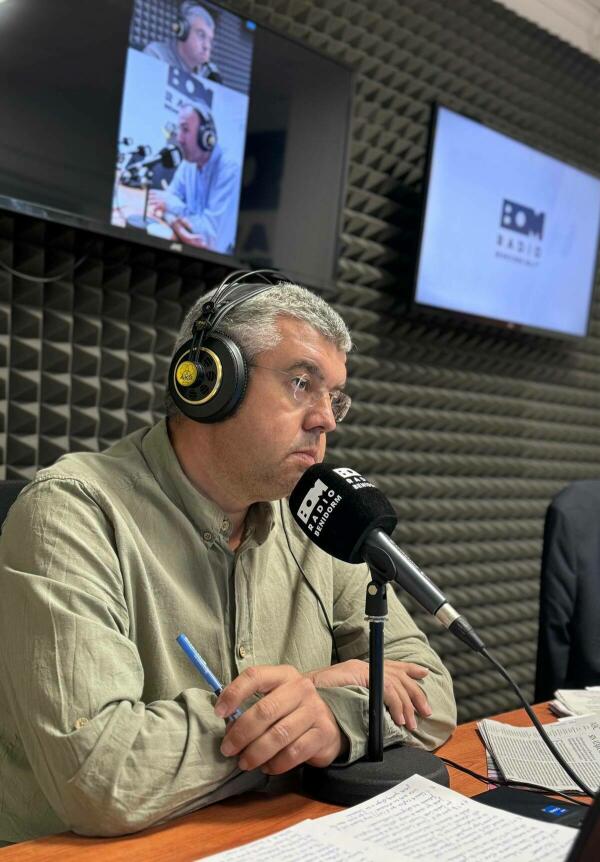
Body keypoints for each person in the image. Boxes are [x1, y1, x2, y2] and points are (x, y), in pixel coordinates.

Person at [0, 273, 456, 844]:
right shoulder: (73, 512)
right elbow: (101, 776)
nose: (327, 419)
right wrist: (308, 696)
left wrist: (332, 720)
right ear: (211, 382)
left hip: (274, 838)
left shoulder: (316, 518)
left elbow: (432, 695)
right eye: (300, 383)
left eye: (334, 396)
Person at [148, 103, 238, 253]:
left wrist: (173, 207)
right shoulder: (188, 162)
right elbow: (164, 203)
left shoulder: (229, 169)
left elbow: (211, 240)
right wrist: (177, 225)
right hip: (186, 246)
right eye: (179, 130)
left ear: (206, 137)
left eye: (185, 129)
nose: (179, 138)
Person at [144, 1, 223, 83]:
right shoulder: (156, 55)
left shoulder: (210, 73)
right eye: (201, 35)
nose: (206, 46)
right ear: (183, 31)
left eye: (210, 40)